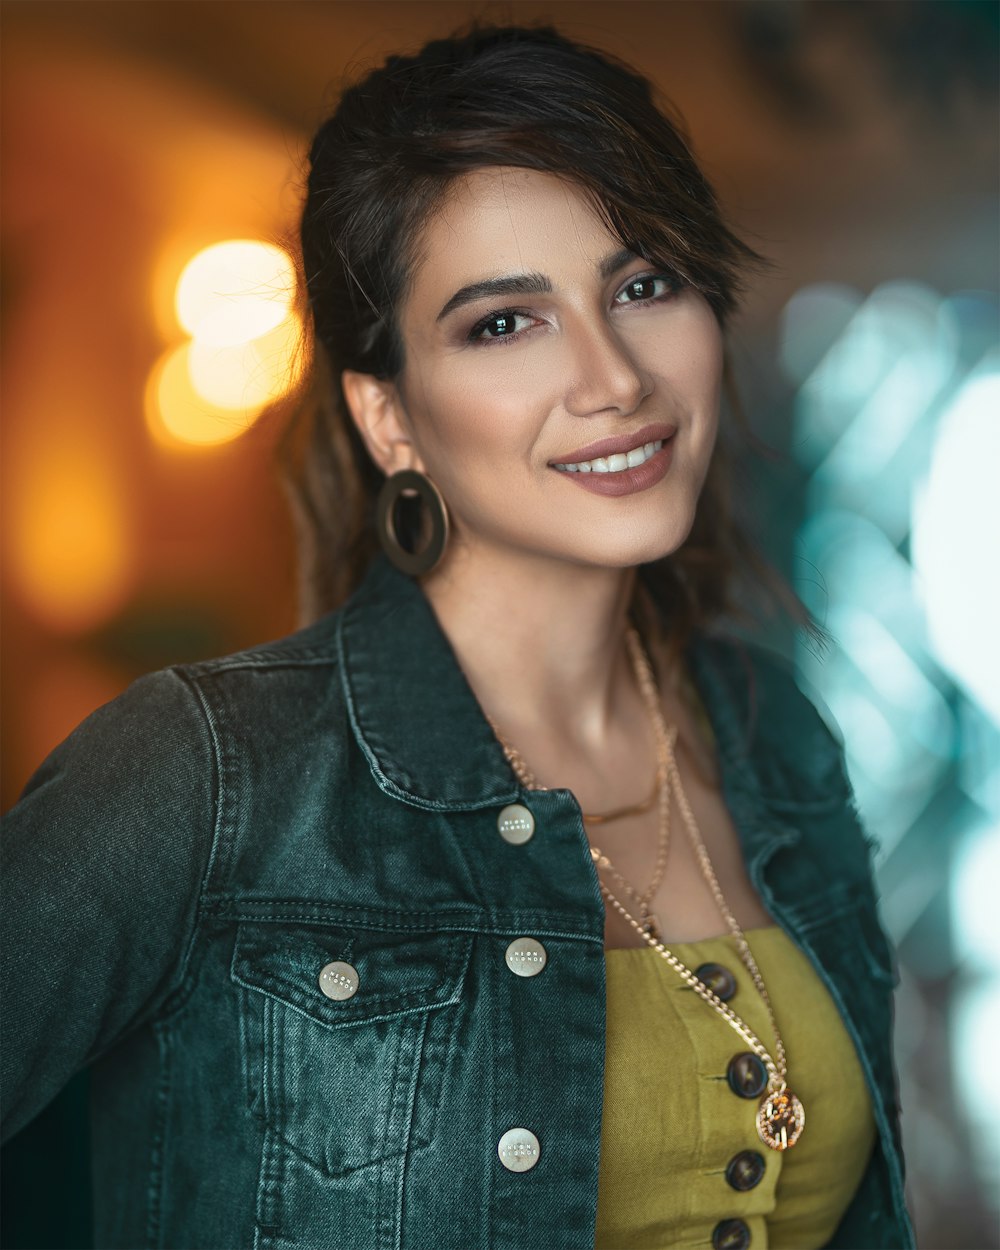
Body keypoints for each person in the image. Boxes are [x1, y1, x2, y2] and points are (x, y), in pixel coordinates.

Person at [1, 23, 914, 1250]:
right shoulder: (206, 771)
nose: (613, 378)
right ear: (389, 418)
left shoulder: (774, 730)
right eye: (503, 323)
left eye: (643, 285)